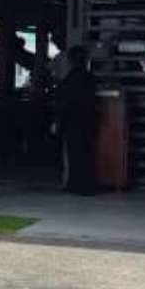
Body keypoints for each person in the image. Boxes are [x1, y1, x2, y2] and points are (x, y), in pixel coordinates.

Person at [54, 46, 98, 195]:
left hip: (72, 122)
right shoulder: (92, 79)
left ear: (70, 60)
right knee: (87, 154)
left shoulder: (68, 81)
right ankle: (87, 185)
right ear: (85, 60)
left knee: (72, 155)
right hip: (89, 121)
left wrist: (58, 122)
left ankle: (73, 185)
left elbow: (62, 104)